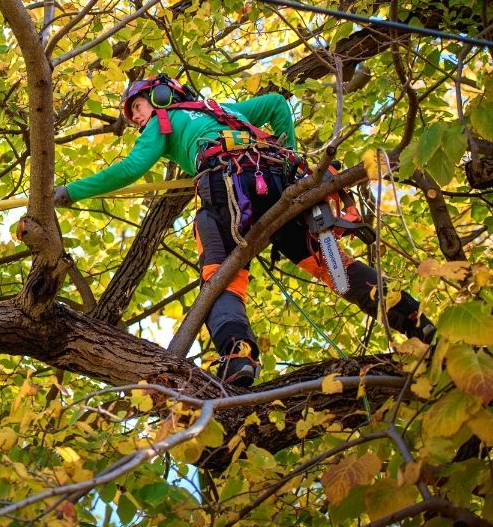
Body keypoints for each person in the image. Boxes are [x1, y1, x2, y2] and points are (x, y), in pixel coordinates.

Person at [55, 75, 434, 387]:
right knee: (332, 265)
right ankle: (414, 320)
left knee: (220, 275)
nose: (136, 120)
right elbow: (276, 106)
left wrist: (71, 191)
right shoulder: (220, 112)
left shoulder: (163, 120)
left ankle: (238, 354)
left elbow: (130, 168)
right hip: (280, 186)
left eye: (136, 108)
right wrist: (291, 157)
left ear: (160, 95)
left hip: (229, 189)